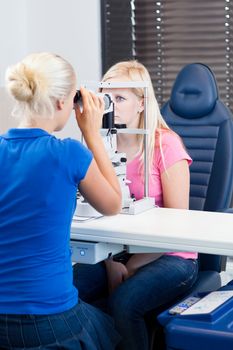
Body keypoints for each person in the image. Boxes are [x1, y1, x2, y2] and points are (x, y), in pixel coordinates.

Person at [73, 60, 199, 350]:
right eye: (106, 97)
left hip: (170, 255)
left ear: (141, 103)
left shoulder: (165, 145)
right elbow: (103, 212)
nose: (110, 105)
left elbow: (177, 226)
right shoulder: (104, 145)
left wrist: (130, 267)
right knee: (68, 290)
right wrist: (110, 263)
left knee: (124, 302)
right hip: (116, 252)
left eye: (120, 98)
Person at [0, 52, 122, 349]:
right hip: (50, 318)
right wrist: (92, 134)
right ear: (60, 103)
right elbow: (113, 203)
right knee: (114, 331)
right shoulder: (69, 153)